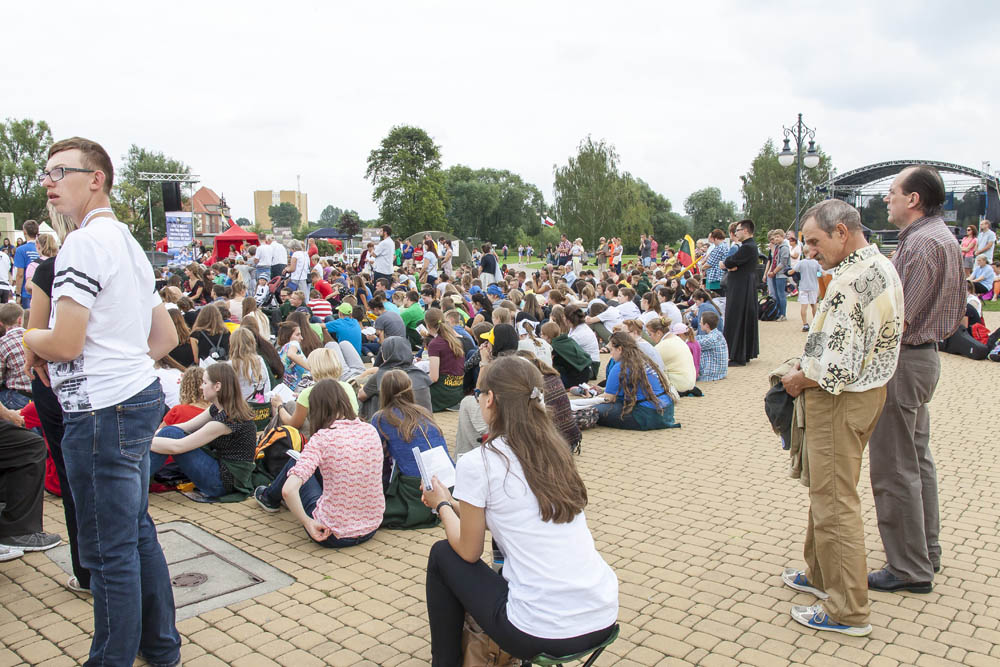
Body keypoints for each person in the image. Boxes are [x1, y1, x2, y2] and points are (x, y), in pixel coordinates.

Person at [24, 136, 180, 664]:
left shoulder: (83, 243)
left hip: (100, 411)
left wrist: (28, 337)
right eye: (46, 173)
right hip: (132, 398)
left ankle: (113, 656)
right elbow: (164, 337)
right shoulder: (128, 243)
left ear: (96, 179)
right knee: (135, 533)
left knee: (107, 549)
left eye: (59, 172)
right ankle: (161, 649)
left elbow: (66, 342)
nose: (48, 182)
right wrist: (120, 359)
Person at [421, 356, 618, 664]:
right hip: (601, 614)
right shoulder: (556, 451)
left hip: (538, 630)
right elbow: (517, 517)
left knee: (443, 554)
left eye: (478, 393)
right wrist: (457, 506)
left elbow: (468, 552)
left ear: (490, 399)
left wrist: (442, 504)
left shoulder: (479, 461)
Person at [779, 198, 903, 637]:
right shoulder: (880, 266)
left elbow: (835, 366)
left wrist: (798, 378)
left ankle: (847, 609)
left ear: (842, 232)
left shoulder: (850, 281)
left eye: (815, 242)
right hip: (864, 394)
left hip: (838, 398)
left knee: (834, 501)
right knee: (828, 491)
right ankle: (820, 574)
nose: (809, 252)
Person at [867, 166, 965, 594]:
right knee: (915, 460)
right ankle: (924, 551)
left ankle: (908, 567)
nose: (886, 199)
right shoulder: (938, 237)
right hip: (920, 358)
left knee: (894, 466)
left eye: (892, 192)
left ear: (913, 199)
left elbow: (898, 318)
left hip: (904, 360)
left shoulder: (922, 243)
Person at [254, 380, 384, 548]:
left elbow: (288, 490)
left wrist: (307, 522)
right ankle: (270, 496)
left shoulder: (322, 438)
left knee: (295, 461)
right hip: (370, 527)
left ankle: (269, 497)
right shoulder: (370, 430)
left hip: (330, 533)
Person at [150, 362, 256, 500]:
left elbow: (178, 446)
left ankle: (134, 480)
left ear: (217, 386)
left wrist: (142, 442)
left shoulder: (227, 420)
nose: (201, 387)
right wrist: (150, 436)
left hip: (224, 483)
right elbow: (185, 426)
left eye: (205, 383)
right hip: (224, 473)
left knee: (170, 434)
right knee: (170, 431)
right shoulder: (220, 408)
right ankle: (135, 479)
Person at [372, 369, 453, 523]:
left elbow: (376, 456)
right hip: (449, 482)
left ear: (384, 392)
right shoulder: (423, 411)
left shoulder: (381, 417)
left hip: (418, 489)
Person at [0, 400, 61, 560]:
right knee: (30, 446)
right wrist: (8, 414)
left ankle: (12, 525)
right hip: (58, 483)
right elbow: (23, 417)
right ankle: (18, 531)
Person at [598, 332, 678, 430]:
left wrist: (591, 399)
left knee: (596, 409)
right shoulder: (644, 360)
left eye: (611, 350)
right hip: (667, 412)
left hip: (646, 415)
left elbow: (608, 398)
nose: (611, 354)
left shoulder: (620, 366)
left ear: (619, 349)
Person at [272, 348, 359, 435]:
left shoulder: (308, 393)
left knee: (290, 405)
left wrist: (279, 406)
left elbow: (293, 424)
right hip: (350, 434)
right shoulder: (347, 387)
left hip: (322, 438)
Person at [722, 219, 760, 366]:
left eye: (737, 230)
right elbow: (732, 263)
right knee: (743, 318)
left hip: (740, 287)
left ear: (745, 231)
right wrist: (730, 265)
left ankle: (738, 355)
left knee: (736, 318)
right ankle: (744, 353)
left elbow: (729, 262)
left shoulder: (747, 247)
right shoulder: (749, 246)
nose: (735, 233)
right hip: (744, 285)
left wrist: (727, 264)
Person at [424, 307, 465, 411]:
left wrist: (417, 381)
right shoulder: (454, 339)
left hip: (443, 392)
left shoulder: (435, 343)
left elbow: (434, 377)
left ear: (428, 325)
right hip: (457, 390)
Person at [645, 318, 694, 391]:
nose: (650, 337)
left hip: (679, 385)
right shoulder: (676, 339)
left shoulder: (663, 345)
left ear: (658, 333)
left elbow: (646, 364)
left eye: (650, 334)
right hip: (688, 382)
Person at [0, 303, 32, 410]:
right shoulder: (33, 337)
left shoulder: (3, 342)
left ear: (1, 323)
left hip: (18, 397)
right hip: (40, 395)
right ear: (20, 320)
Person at [226, 328, 270, 402]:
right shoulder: (259, 360)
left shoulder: (230, 365)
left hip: (238, 405)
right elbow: (267, 384)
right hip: (258, 403)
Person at [694, 311, 728, 382]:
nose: (700, 324)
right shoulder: (717, 334)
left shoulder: (711, 339)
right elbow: (701, 338)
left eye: (701, 322)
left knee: (693, 350)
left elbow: (694, 344)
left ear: (706, 325)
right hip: (720, 372)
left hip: (711, 374)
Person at [13, 219, 39, 308]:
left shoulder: (21, 250)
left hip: (26, 291)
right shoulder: (43, 247)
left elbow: (20, 274)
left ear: (24, 232)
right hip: (42, 289)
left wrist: (18, 294)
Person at [766, 229, 790, 321]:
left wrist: (774, 272)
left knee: (781, 294)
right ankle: (778, 312)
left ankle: (783, 314)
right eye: (775, 237)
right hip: (775, 274)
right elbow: (773, 260)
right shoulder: (777, 247)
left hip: (781, 274)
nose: (776, 239)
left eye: (778, 237)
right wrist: (770, 271)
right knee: (776, 294)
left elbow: (783, 263)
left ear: (782, 237)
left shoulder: (784, 248)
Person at [796, 249, 822, 332]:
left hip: (803, 286)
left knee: (804, 306)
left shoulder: (801, 262)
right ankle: (815, 323)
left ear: (804, 253)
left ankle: (805, 324)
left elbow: (794, 270)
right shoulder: (816, 263)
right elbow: (821, 273)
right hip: (813, 286)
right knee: (813, 305)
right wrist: (817, 276)